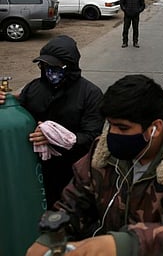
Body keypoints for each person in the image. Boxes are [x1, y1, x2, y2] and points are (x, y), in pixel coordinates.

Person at [26, 74, 163, 256]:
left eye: (123, 128)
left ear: (155, 128)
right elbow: (75, 199)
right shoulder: (103, 153)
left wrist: (126, 245)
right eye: (111, 125)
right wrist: (52, 237)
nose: (112, 134)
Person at [0, 35, 104, 209]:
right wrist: (6, 101)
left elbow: (93, 137)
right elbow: (18, 116)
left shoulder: (90, 94)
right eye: (44, 66)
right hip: (36, 168)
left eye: (55, 67)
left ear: (70, 67)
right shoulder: (34, 88)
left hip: (72, 172)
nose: (49, 71)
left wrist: (60, 138)